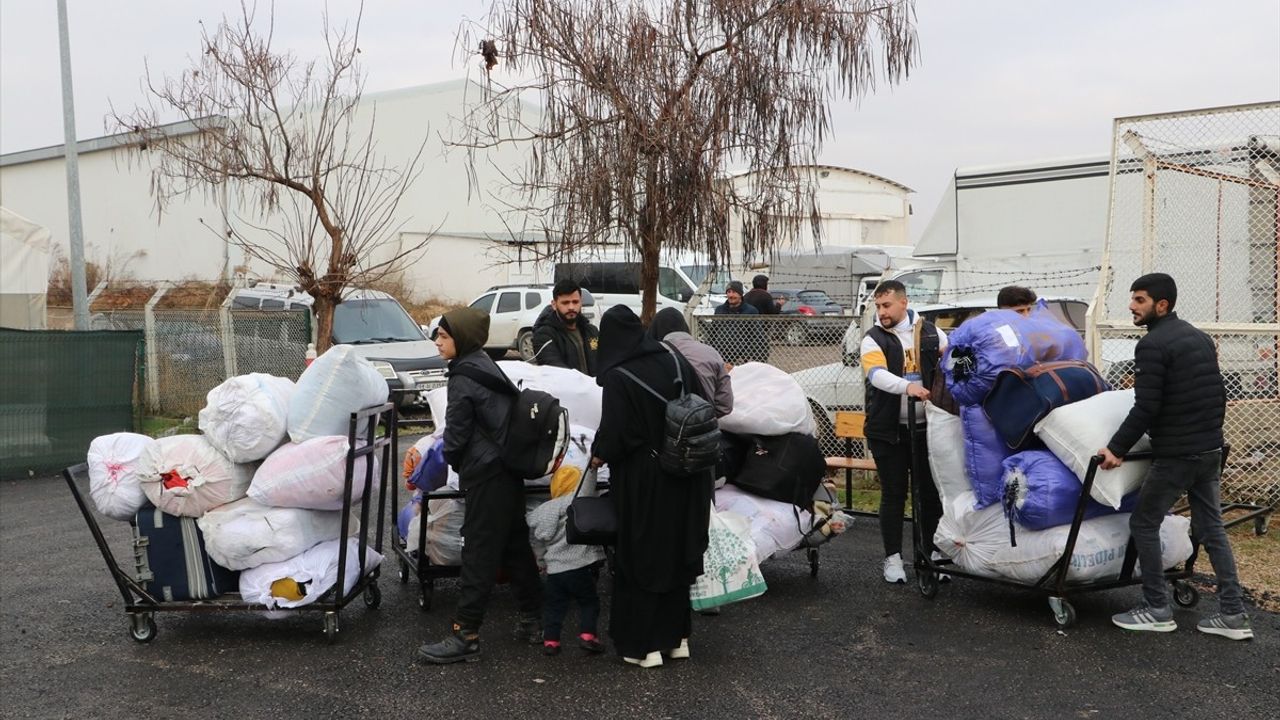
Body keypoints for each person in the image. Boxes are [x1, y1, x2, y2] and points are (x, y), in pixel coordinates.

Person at [1099, 273, 1251, 640]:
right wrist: (1210, 437)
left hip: (1178, 454)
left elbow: (1146, 406)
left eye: (1139, 300)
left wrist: (1116, 449)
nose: (1132, 307)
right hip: (1209, 448)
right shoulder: (1197, 337)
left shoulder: (1152, 346)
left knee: (1144, 523)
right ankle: (1233, 614)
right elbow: (1218, 394)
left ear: (1161, 305)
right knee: (1212, 528)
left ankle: (1155, 609)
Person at [418, 308, 544, 664]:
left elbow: (456, 437)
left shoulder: (463, 376)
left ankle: (466, 634)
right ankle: (534, 620)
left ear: (463, 338)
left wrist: (457, 463)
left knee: (478, 552)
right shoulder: (484, 365)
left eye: (443, 336)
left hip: (487, 474)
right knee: (515, 545)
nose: (437, 342)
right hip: (507, 470)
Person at [591, 305, 713, 668]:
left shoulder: (618, 376)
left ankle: (643, 647)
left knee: (642, 557)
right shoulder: (674, 359)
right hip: (688, 473)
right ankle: (677, 639)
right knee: (676, 555)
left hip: (646, 479)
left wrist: (599, 455)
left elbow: (616, 436)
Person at [860, 280, 947, 584]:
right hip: (889, 431)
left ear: (903, 303)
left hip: (927, 428)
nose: (881, 312)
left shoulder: (932, 333)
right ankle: (893, 558)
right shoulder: (873, 339)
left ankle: (931, 553)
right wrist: (907, 386)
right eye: (878, 306)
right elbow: (877, 375)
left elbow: (947, 365)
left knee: (930, 494)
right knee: (894, 494)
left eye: (886, 306)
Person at [526, 465, 607, 656]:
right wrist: (592, 466)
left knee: (554, 606)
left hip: (555, 572)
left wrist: (541, 563)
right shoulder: (575, 503)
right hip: (579, 566)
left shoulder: (541, 512)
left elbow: (537, 543)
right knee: (589, 602)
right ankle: (588, 636)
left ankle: (551, 641)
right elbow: (587, 484)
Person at [647, 307, 734, 418]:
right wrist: (703, 417)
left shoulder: (654, 355)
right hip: (704, 427)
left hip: (665, 428)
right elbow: (725, 405)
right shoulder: (712, 353)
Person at [531, 280, 599, 375]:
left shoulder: (592, 331)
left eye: (575, 302)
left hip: (594, 389)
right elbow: (555, 370)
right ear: (554, 305)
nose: (571, 307)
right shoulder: (544, 336)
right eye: (565, 303)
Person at [712, 280, 768, 364]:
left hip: (742, 356)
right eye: (729, 292)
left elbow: (757, 336)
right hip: (721, 354)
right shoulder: (720, 310)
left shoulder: (750, 311)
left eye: (734, 292)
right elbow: (713, 333)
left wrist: (748, 356)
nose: (731, 295)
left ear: (740, 294)